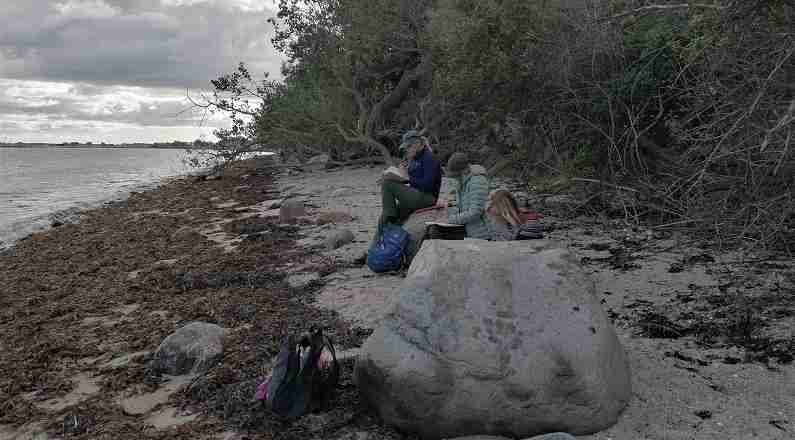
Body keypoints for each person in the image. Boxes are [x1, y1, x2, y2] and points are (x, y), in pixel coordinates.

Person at [366, 130, 442, 251]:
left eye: (408, 147)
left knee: (387, 184)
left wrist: (406, 177)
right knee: (383, 218)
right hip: (415, 195)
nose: (407, 150)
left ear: (417, 144)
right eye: (406, 147)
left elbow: (427, 185)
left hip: (427, 198)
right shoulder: (413, 158)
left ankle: (391, 216)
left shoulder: (429, 158)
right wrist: (399, 175)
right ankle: (373, 250)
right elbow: (411, 179)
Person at [444, 152, 491, 240]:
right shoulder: (460, 181)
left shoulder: (478, 181)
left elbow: (475, 212)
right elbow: (453, 204)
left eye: (456, 176)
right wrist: (450, 207)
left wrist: (450, 220)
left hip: (483, 234)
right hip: (468, 230)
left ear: (464, 171)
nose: (454, 178)